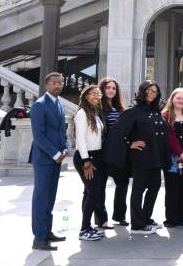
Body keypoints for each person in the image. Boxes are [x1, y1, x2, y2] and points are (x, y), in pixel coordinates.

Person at [104, 80, 168, 235]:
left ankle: (145, 218)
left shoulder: (155, 111)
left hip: (155, 158)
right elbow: (117, 132)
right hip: (141, 157)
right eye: (149, 91)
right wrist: (129, 144)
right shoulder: (134, 111)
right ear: (142, 92)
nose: (152, 94)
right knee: (139, 189)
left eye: (155, 91)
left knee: (154, 187)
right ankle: (137, 225)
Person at [30, 72, 68, 251]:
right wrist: (55, 154)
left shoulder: (59, 104)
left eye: (60, 83)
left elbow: (61, 131)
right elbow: (38, 135)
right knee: (41, 198)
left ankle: (47, 232)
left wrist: (65, 148)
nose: (58, 86)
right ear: (46, 85)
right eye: (54, 83)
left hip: (57, 158)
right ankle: (39, 238)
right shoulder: (39, 105)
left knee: (50, 198)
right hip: (44, 159)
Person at [72, 84, 106, 242]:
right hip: (86, 158)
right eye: (93, 94)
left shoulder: (94, 113)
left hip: (96, 156)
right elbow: (80, 140)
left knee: (90, 192)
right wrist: (86, 161)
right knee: (94, 192)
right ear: (85, 96)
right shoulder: (82, 114)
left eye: (98, 94)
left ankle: (88, 227)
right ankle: (84, 229)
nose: (96, 96)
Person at [162, 88, 183, 227]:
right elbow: (169, 136)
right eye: (178, 98)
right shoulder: (165, 115)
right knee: (172, 187)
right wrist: (179, 152)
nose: (181, 101)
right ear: (172, 99)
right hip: (171, 156)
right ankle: (171, 218)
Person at [99, 77, 129, 227]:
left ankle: (119, 216)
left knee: (122, 184)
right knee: (99, 187)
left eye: (114, 88)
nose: (111, 90)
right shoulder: (98, 109)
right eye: (108, 87)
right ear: (102, 90)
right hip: (102, 153)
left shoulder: (121, 109)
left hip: (119, 153)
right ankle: (101, 219)